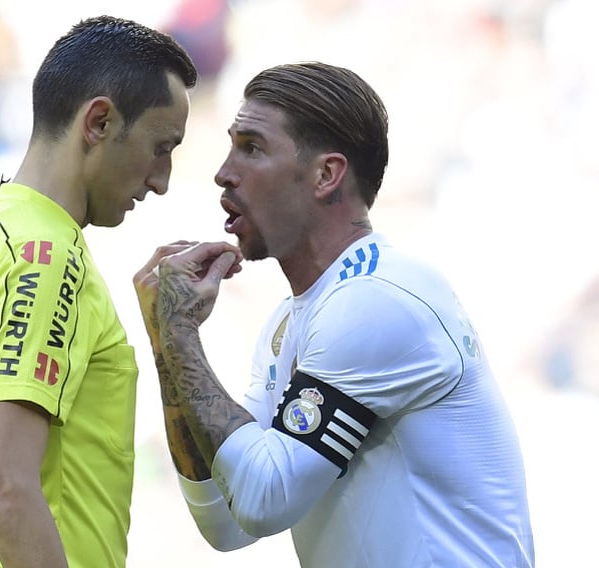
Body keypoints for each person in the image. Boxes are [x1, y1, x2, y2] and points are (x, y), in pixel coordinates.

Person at [134, 62, 535, 567]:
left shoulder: (378, 298)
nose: (223, 172)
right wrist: (167, 338)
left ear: (326, 174)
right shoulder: (291, 322)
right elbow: (227, 520)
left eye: (252, 148)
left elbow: (262, 499)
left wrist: (180, 336)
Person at [0, 15, 197, 568]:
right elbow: (2, 490)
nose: (161, 179)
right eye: (160, 147)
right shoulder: (48, 258)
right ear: (98, 121)